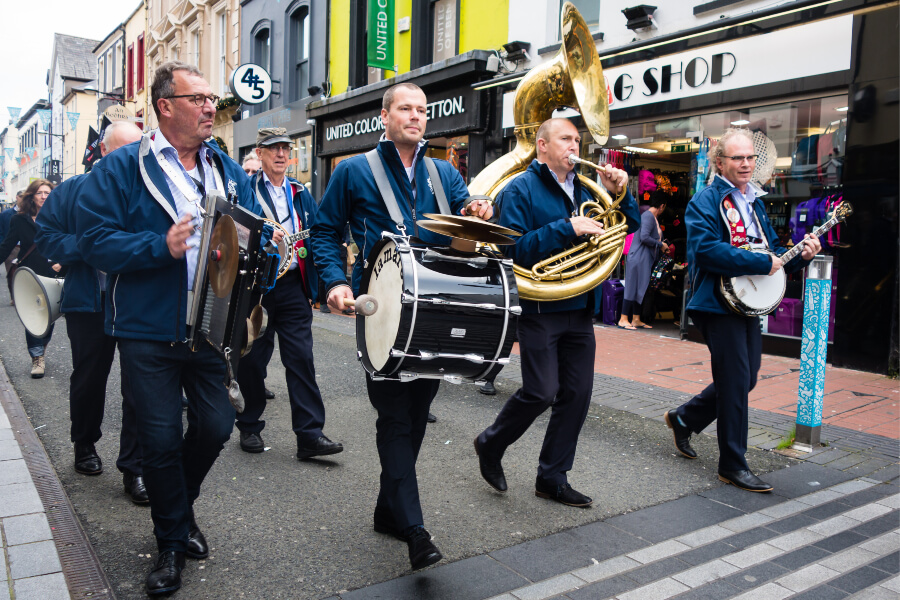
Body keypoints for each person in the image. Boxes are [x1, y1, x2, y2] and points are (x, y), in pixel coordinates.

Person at [74, 61, 272, 595]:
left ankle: (178, 510)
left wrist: (263, 254)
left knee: (214, 427)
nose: (212, 106)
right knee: (159, 439)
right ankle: (170, 543)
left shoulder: (227, 169)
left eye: (212, 98)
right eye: (198, 98)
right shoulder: (121, 170)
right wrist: (156, 246)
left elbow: (249, 235)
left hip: (210, 327)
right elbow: (92, 240)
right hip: (146, 330)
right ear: (165, 106)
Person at [311, 82, 492, 571]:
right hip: (380, 314)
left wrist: (477, 210)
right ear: (384, 116)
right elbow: (324, 231)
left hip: (432, 313)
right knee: (393, 416)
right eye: (406, 109)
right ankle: (414, 530)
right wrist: (332, 283)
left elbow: (466, 229)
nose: (416, 117)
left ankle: (387, 511)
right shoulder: (352, 171)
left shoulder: (443, 173)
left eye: (422, 110)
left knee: (415, 416)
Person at [474, 118, 639, 508]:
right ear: (542, 145)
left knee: (578, 395)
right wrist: (568, 227)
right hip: (539, 308)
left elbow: (626, 226)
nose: (574, 146)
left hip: (579, 307)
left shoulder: (587, 187)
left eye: (578, 140)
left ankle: (552, 476)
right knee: (541, 392)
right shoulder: (520, 188)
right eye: (566, 139)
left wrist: (623, 193)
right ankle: (490, 442)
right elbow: (512, 250)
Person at [664, 128, 820, 493]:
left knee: (745, 379)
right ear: (720, 162)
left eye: (750, 157)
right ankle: (732, 464)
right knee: (735, 383)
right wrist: (756, 261)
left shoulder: (756, 202)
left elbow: (774, 256)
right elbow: (704, 251)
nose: (746, 164)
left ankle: (685, 418)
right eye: (737, 158)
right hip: (718, 303)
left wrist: (800, 257)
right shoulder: (705, 200)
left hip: (748, 301)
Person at [35, 122, 149, 502]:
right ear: (103, 152)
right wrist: (94, 246)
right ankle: (84, 443)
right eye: (124, 151)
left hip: (136, 304)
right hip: (89, 301)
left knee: (140, 386)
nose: (134, 158)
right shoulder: (72, 189)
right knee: (88, 378)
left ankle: (134, 469)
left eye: (140, 149)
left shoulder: (148, 188)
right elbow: (46, 237)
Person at [236, 126, 343, 459]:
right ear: (260, 152)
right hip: (257, 289)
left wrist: (323, 281)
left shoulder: (300, 191)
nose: (281, 154)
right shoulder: (247, 189)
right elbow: (235, 232)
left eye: (285, 148)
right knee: (252, 360)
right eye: (273, 148)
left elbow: (317, 233)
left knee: (301, 359)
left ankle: (309, 435)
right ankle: (249, 425)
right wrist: (264, 241)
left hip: (294, 286)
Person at [0, 179, 64, 377]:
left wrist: (63, 262)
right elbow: (8, 245)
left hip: (55, 273)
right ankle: (37, 357)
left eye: (47, 193)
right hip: (30, 275)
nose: (44, 196)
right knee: (34, 314)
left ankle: (41, 349)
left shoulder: (60, 217)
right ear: (32, 196)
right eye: (39, 193)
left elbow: (69, 242)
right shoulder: (19, 220)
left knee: (50, 316)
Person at [618, 191, 669, 330]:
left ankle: (636, 318)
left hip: (643, 258)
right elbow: (644, 237)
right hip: (639, 257)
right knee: (632, 286)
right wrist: (660, 245)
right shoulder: (648, 216)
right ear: (662, 206)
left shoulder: (651, 216)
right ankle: (623, 318)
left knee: (640, 287)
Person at [1, 191, 23, 303]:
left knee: (24, 273)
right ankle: (14, 297)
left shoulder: (32, 214)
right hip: (12, 248)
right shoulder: (6, 214)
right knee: (12, 273)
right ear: (16, 197)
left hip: (26, 247)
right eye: (21, 196)